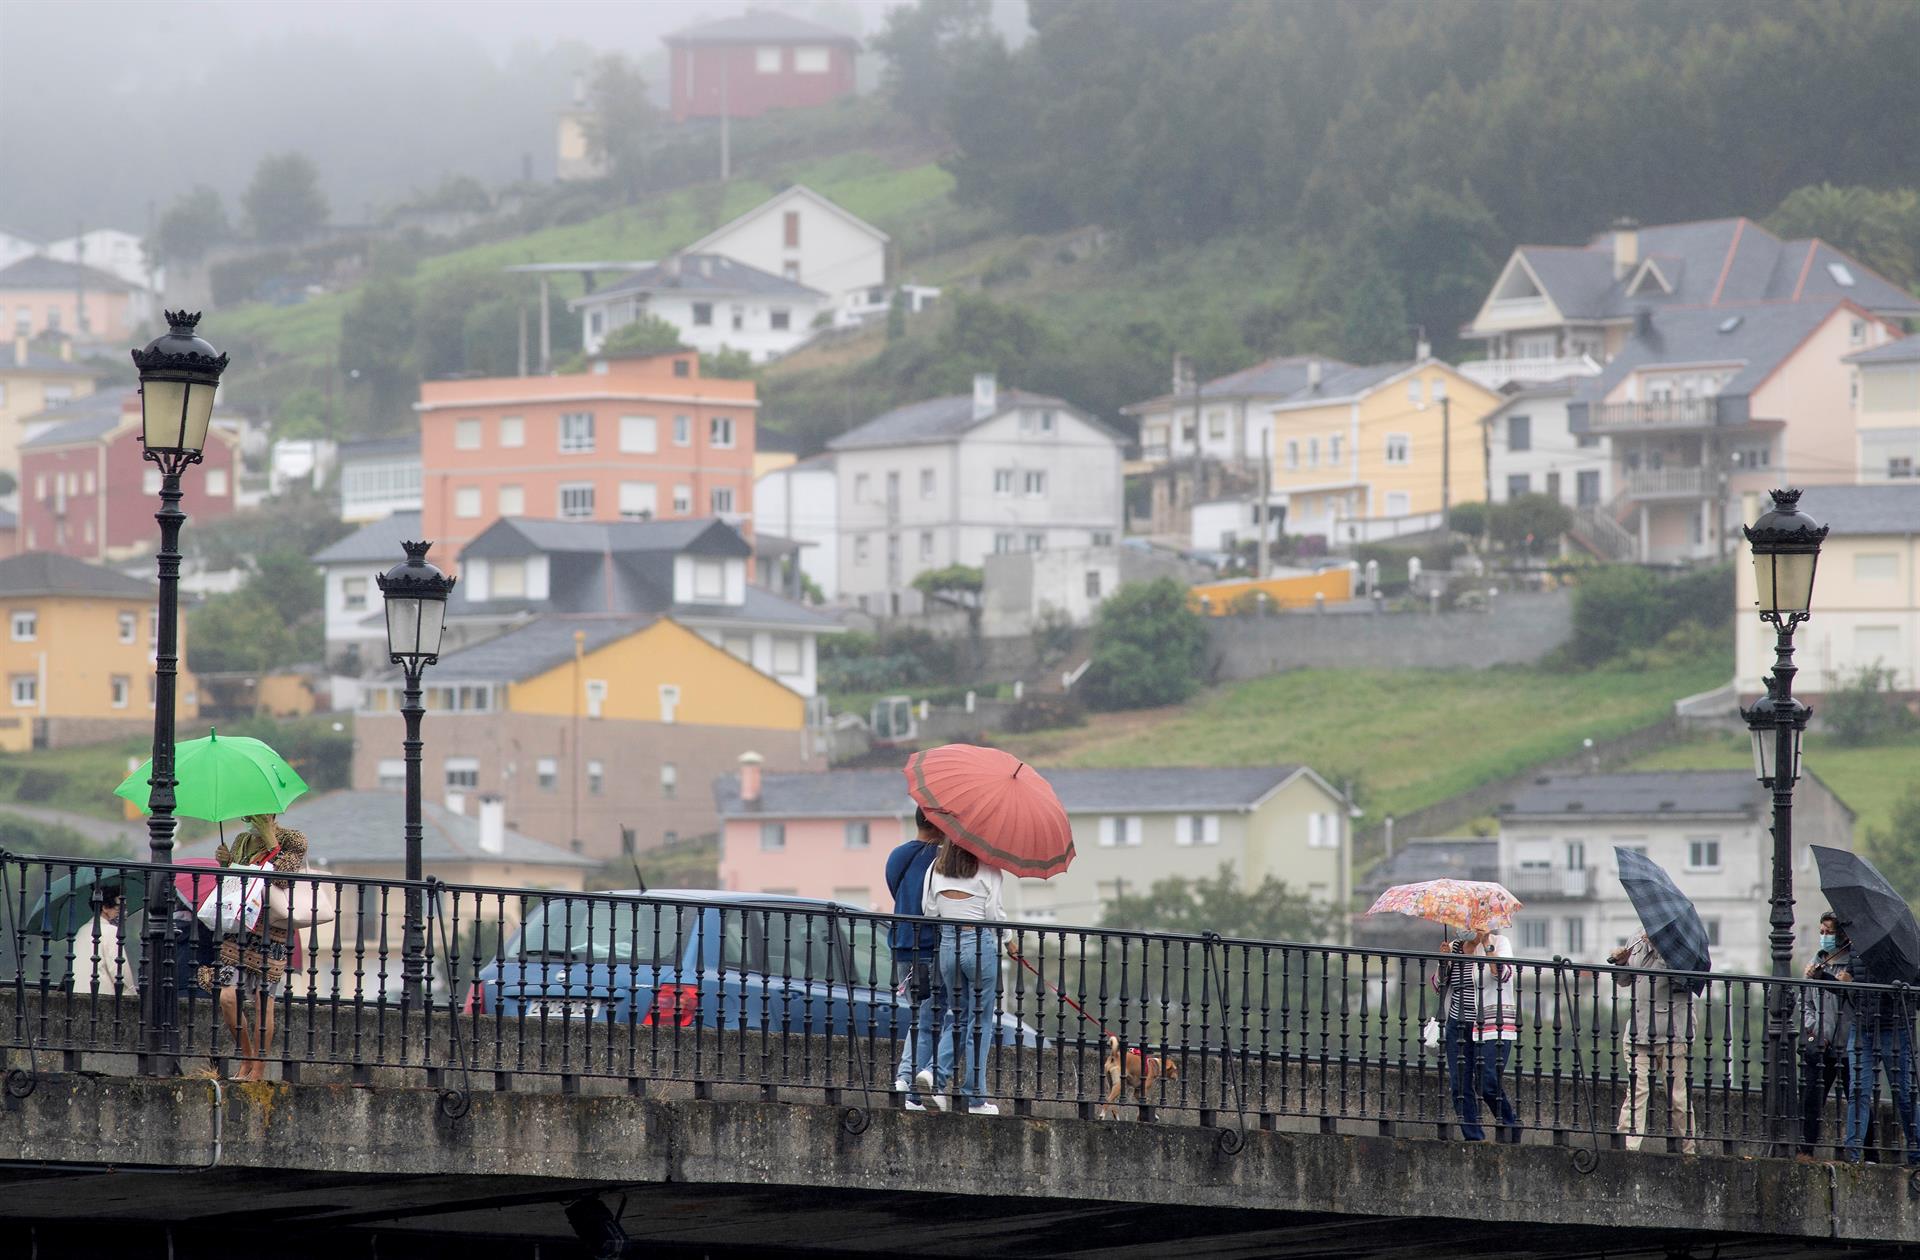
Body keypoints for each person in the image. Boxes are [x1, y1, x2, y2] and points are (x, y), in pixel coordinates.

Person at [200, 816, 332, 1081]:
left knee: (263, 1003)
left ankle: (258, 1068)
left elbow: (283, 879)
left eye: (258, 814)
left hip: (272, 931)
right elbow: (234, 883)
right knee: (227, 998)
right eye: (248, 815)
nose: (251, 819)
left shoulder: (293, 839)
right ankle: (247, 1056)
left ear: (271, 815)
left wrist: (272, 841)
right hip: (239, 930)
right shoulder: (242, 840)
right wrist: (226, 863)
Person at [915, 835, 1006, 1116]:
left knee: (959, 1018)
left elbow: (929, 911)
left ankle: (934, 1075)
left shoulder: (935, 867)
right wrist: (1009, 940)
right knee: (980, 1021)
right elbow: (993, 914)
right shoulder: (989, 868)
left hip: (948, 945)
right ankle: (974, 1097)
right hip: (977, 943)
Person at [1830, 916, 1920, 1165]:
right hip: (1863, 1026)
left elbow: (1915, 990)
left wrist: (1898, 984)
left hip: (1894, 1028)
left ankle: (1916, 1154)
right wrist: (1827, 978)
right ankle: (1853, 1153)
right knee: (1858, 1090)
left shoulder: (1903, 949)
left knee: (1904, 1094)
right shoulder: (1858, 948)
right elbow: (1851, 988)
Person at [1429, 925, 1520, 1142]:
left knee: (1487, 1082)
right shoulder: (1454, 947)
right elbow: (1437, 985)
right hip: (1457, 1024)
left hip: (1491, 1025)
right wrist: (1443, 961)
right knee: (1459, 1085)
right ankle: (1473, 1138)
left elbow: (1503, 974)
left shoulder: (1499, 943)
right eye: (1463, 924)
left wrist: (1487, 944)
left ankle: (1510, 1125)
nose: (1465, 928)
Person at [1610, 932, 1697, 1153]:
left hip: (1672, 1033)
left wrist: (1662, 947)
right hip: (1639, 1031)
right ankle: (1627, 1149)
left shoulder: (1681, 942)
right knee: (1636, 1092)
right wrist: (1621, 963)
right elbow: (1624, 981)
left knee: (1678, 1098)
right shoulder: (1636, 939)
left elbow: (1685, 979)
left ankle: (1688, 1150)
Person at [1800, 911, 1874, 1161]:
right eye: (1821, 932)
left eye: (1829, 932)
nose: (1824, 937)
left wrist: (1845, 983)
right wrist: (1815, 1028)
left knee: (1858, 1096)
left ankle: (1868, 1152)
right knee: (1812, 1097)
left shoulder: (1853, 965)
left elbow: (1858, 1001)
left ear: (1841, 936)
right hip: (1823, 1042)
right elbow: (1805, 1002)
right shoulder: (1817, 962)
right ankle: (1806, 1149)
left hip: (1849, 1042)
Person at [885, 808, 944, 1107]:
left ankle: (905, 1079)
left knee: (919, 1016)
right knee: (932, 1019)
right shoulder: (942, 859)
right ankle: (912, 1086)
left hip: (902, 944)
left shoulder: (897, 855)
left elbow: (895, 891)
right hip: (931, 945)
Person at [69, 888, 135, 996]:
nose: (124, 912)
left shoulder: (81, 930)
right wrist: (132, 996)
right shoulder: (111, 931)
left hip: (76, 996)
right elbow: (121, 973)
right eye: (119, 907)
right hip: (102, 998)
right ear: (105, 908)